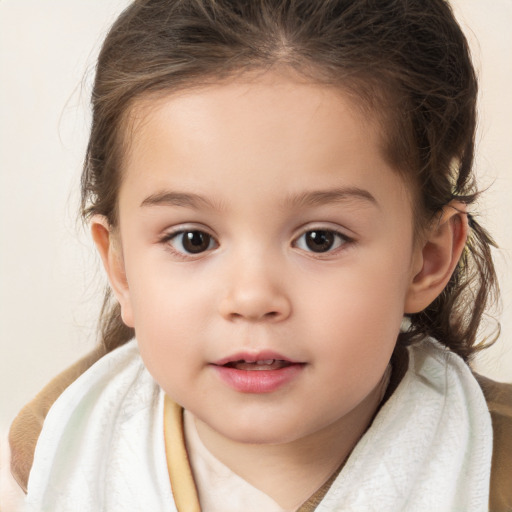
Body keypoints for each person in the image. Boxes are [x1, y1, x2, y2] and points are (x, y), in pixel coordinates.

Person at [8, 0, 512, 510]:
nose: (251, 298)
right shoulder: (57, 448)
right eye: (193, 240)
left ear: (425, 258)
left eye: (320, 239)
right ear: (120, 268)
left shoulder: (496, 470)